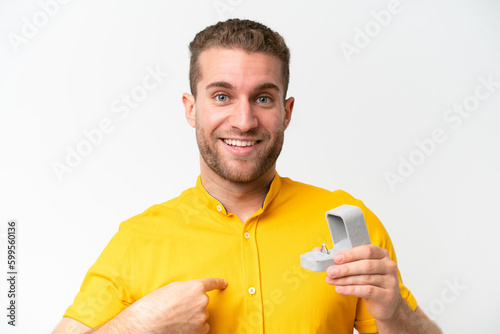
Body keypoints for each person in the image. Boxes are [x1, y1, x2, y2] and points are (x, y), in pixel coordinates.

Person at [52, 19, 442, 334]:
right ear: (191, 109)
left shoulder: (346, 219)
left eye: (263, 98)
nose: (243, 121)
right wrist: (139, 327)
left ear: (286, 111)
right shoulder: (137, 241)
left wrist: (395, 314)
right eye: (222, 96)